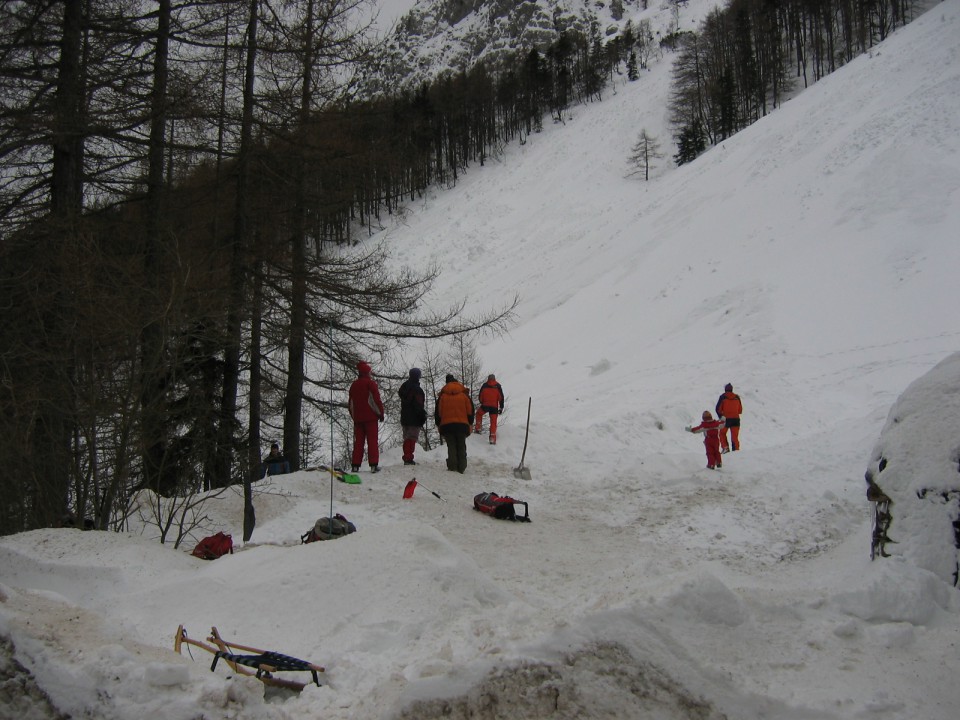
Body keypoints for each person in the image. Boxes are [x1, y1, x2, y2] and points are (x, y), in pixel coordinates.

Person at [349, 361, 385, 473]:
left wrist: (354, 416)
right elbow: (375, 400)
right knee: (372, 441)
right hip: (371, 418)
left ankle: (355, 465)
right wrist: (380, 413)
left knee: (358, 442)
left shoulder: (354, 385)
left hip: (358, 419)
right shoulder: (370, 384)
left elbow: (350, 403)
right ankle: (373, 465)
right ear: (367, 373)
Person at [435, 373, 474, 473]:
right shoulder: (464, 395)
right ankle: (462, 466)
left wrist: (439, 423)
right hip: (462, 425)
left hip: (447, 425)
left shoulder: (443, 396)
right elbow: (470, 410)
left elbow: (438, 412)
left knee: (451, 445)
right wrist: (470, 422)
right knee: (461, 445)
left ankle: (453, 467)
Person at [398, 367, 427, 465]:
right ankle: (408, 458)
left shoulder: (404, 387)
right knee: (412, 437)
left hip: (405, 416)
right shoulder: (416, 389)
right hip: (414, 417)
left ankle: (407, 456)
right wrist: (422, 416)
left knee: (407, 437)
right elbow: (418, 404)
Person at [474, 373, 505, 444]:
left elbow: (480, 397)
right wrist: (501, 407)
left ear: (488, 379)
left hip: (485, 405)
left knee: (478, 414)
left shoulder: (484, 385)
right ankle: (492, 438)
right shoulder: (498, 386)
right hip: (494, 407)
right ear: (494, 379)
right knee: (493, 422)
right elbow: (501, 398)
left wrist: (482, 402)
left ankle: (478, 428)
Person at [715, 383, 743, 453]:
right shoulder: (737, 397)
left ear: (725, 390)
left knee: (722, 433)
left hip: (726, 419)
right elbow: (740, 410)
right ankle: (736, 449)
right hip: (736, 419)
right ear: (732, 389)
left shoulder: (723, 397)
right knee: (734, 436)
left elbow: (717, 409)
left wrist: (721, 416)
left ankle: (725, 448)